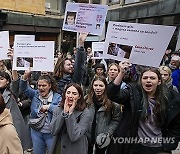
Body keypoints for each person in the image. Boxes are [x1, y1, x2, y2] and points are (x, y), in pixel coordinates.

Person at [107, 67, 180, 154]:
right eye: (145, 78)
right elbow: (112, 95)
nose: (148, 80)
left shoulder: (170, 98)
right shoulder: (133, 94)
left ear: (159, 81)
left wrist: (167, 146)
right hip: (135, 146)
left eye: (152, 78)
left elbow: (176, 126)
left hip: (158, 148)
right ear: (140, 81)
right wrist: (121, 73)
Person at [20, 70, 62, 154]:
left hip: (51, 133)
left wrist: (48, 107)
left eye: (44, 85)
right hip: (36, 131)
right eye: (39, 85)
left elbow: (60, 110)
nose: (41, 88)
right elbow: (24, 88)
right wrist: (25, 76)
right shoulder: (35, 94)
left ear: (50, 86)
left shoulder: (57, 97)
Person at [50, 83, 90, 154]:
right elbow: (53, 130)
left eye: (74, 94)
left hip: (75, 149)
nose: (70, 96)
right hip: (59, 147)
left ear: (79, 96)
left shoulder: (85, 112)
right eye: (68, 93)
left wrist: (70, 114)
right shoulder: (57, 109)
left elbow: (74, 136)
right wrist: (64, 113)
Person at [86, 76, 120, 154]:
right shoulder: (86, 100)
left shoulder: (112, 103)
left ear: (105, 87)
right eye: (95, 85)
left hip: (102, 139)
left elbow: (116, 119)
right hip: (87, 138)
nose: (98, 88)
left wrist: (107, 133)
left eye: (101, 86)